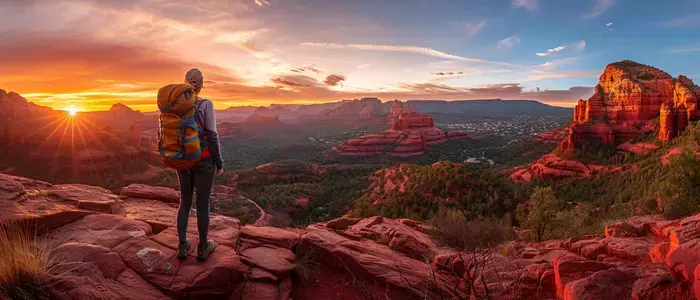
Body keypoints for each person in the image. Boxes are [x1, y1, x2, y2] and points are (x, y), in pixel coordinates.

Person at [176, 68, 225, 261]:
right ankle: (203, 247)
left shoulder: (174, 105)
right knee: (202, 203)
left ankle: (182, 246)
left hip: (182, 160)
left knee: (184, 203)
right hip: (203, 160)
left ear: (185, 82)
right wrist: (219, 162)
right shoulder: (205, 104)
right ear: (202, 83)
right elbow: (212, 134)